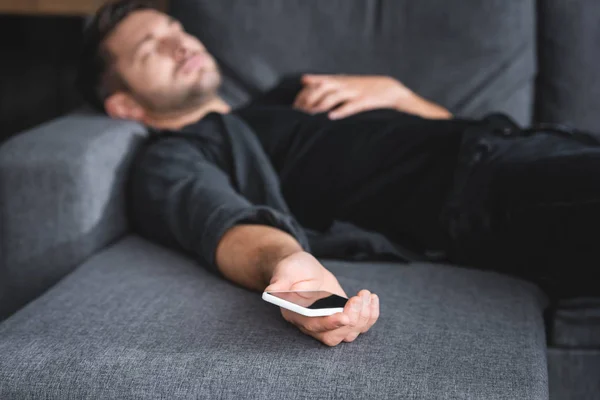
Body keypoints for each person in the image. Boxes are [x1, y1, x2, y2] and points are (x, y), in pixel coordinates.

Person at [76, 0, 599, 347]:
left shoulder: (288, 94)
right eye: (151, 50)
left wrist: (402, 97)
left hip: (523, 144)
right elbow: (219, 220)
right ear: (124, 105)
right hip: (480, 192)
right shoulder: (176, 154)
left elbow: (456, 130)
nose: (179, 44)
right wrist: (290, 266)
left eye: (176, 29)